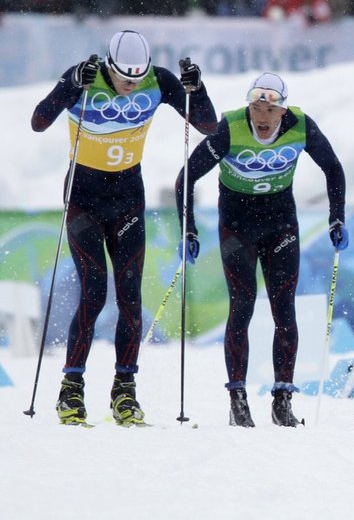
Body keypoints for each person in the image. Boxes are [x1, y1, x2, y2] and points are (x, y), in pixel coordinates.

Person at [31, 30, 217, 426]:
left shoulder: (158, 80)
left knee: (131, 298)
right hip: (83, 195)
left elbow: (208, 125)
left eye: (137, 79)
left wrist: (196, 89)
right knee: (95, 293)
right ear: (109, 66)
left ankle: (124, 392)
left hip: (128, 196)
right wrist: (69, 86)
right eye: (123, 79)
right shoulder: (86, 76)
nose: (130, 87)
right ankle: (71, 389)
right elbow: (38, 121)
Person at [174, 72, 347, 428]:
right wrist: (188, 229)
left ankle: (282, 399)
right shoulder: (230, 128)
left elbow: (333, 168)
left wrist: (336, 219)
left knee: (284, 308)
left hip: (281, 223)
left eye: (270, 110)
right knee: (243, 303)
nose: (262, 118)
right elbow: (185, 178)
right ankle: (237, 399)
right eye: (256, 108)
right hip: (237, 226)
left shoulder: (301, 126)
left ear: (283, 110)